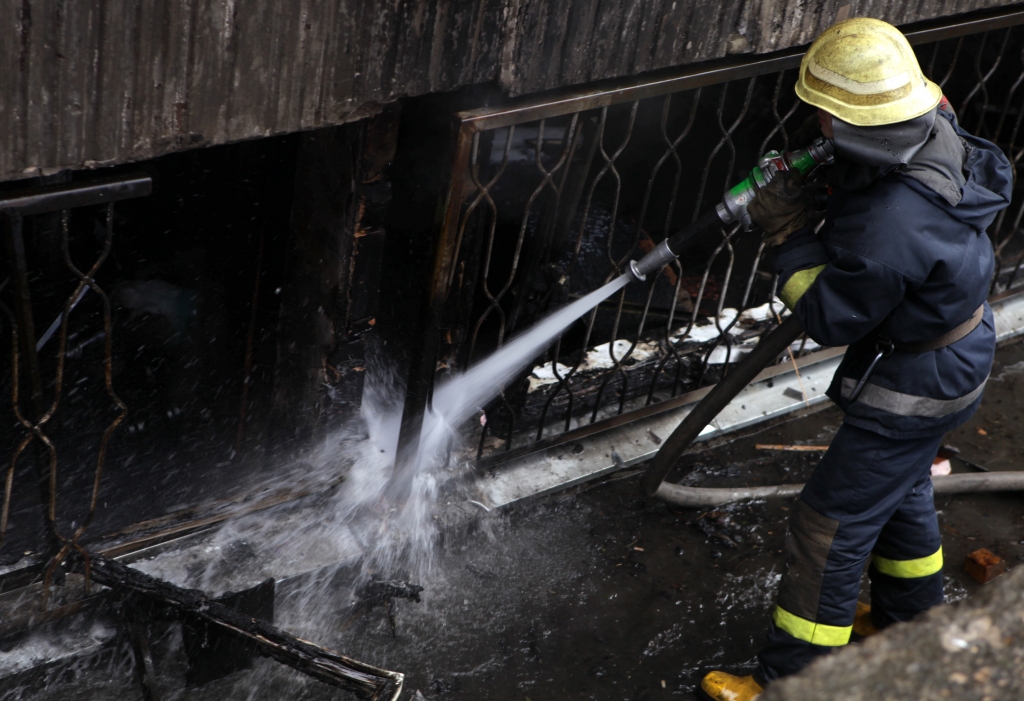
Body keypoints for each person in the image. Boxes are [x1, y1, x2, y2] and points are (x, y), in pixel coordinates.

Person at [699, 17, 1013, 701]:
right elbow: (878, 198)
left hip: (915, 380)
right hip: (959, 346)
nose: (814, 123)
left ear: (856, 125)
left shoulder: (890, 223)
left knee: (828, 528)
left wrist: (788, 233)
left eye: (823, 118)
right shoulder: (934, 121)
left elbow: (829, 314)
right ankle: (909, 624)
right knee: (900, 489)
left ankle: (798, 678)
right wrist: (834, 172)